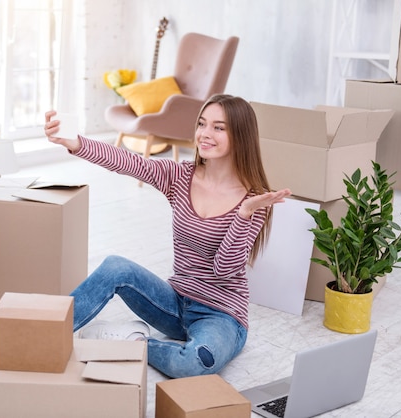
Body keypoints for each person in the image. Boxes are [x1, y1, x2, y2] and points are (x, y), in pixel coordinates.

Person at [44, 94, 291, 379]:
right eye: (202, 124)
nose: (205, 134)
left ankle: (132, 343)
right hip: (174, 303)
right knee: (115, 267)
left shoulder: (254, 201)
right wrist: (76, 142)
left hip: (221, 315)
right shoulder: (180, 176)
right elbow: (128, 162)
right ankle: (46, 336)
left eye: (218, 128)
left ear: (241, 136)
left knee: (197, 362)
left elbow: (224, 271)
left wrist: (243, 215)